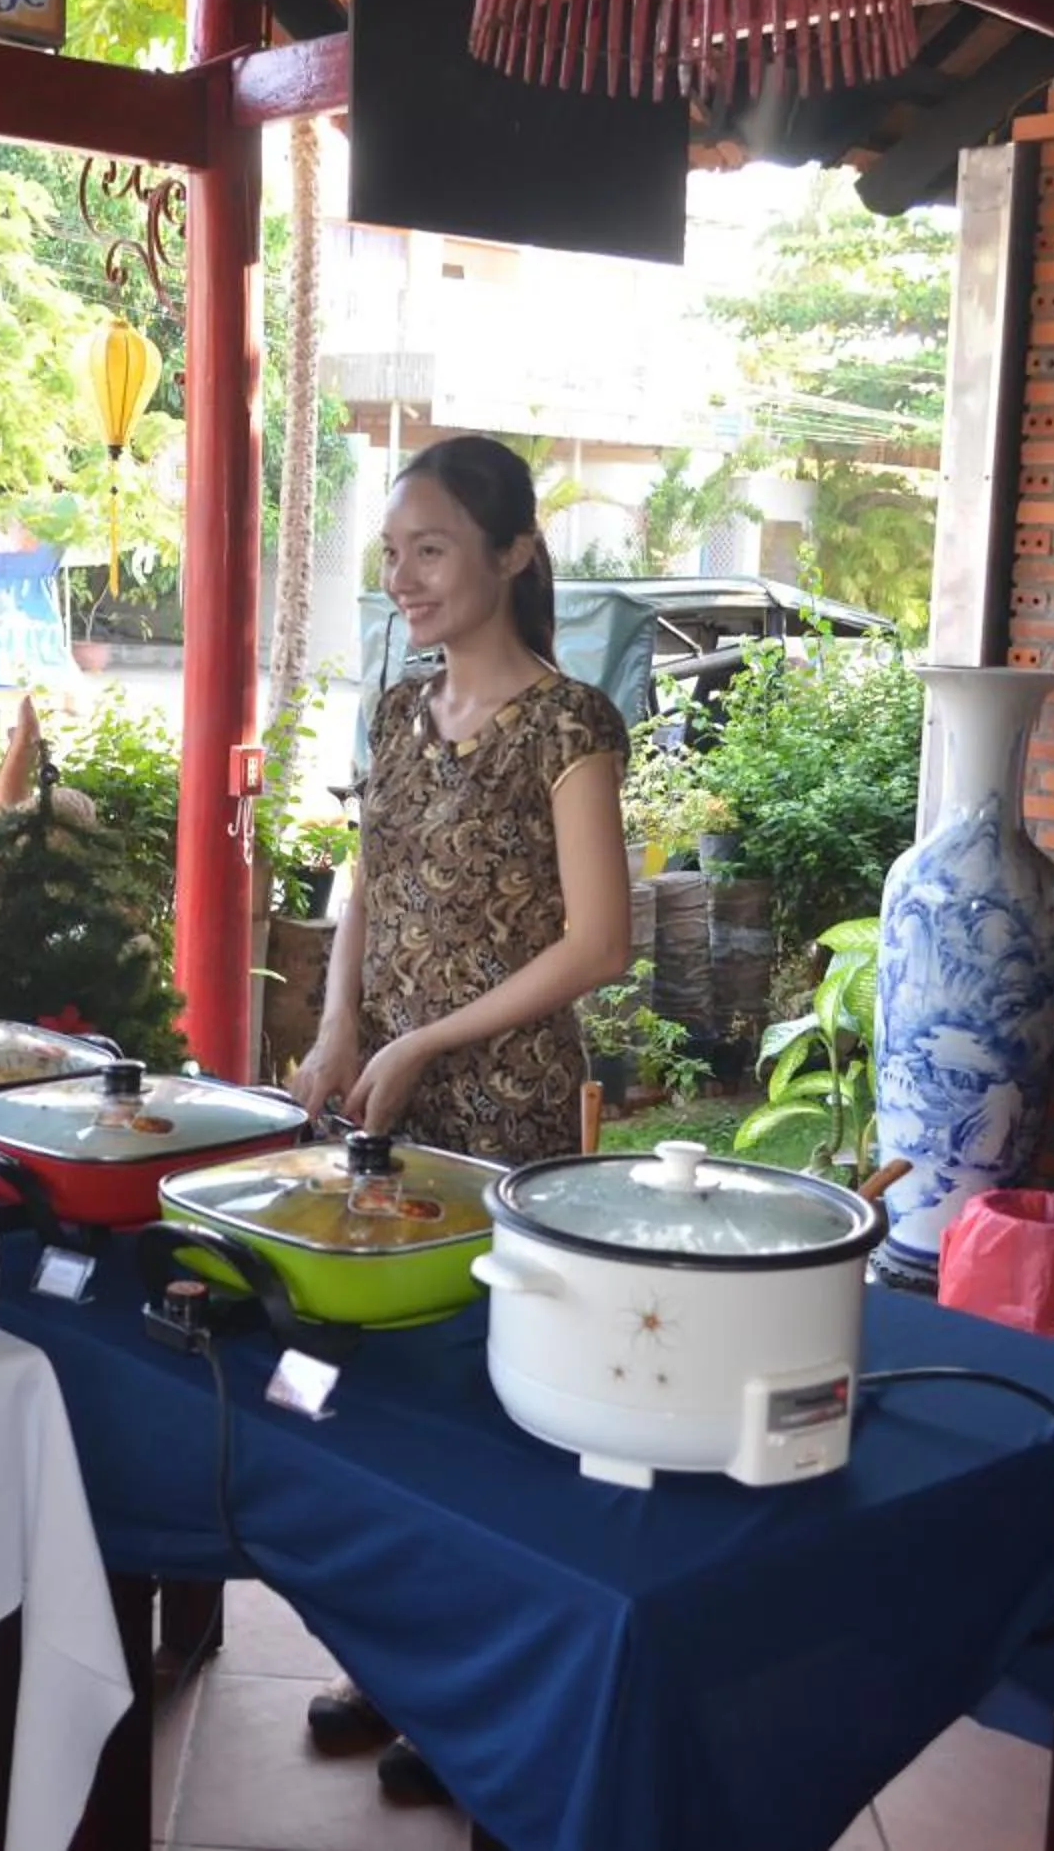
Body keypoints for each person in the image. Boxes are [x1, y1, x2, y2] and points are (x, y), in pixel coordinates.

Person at [285, 434, 632, 1801]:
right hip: (385, 1103)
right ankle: (391, 1665)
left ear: (512, 555)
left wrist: (425, 1038)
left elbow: (598, 944)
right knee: (384, 1395)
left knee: (491, 1408)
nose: (406, 576)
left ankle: (470, 1707)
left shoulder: (568, 725)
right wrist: (336, 1027)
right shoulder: (394, 711)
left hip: (505, 1113)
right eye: (394, 552)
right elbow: (365, 887)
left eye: (432, 547)